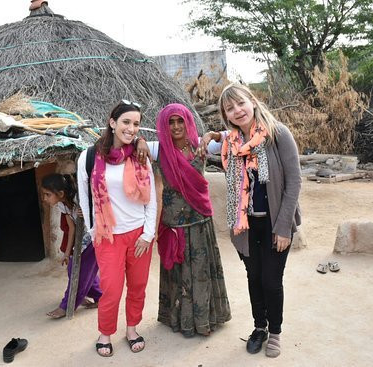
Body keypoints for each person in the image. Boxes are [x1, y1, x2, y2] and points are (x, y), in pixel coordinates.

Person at [199, 83, 301, 358]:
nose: (237, 110)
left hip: (274, 222)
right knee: (253, 278)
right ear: (226, 115)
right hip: (244, 224)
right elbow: (210, 144)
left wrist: (283, 228)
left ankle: (275, 332)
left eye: (240, 103)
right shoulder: (231, 143)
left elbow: (294, 182)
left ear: (253, 102)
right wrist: (214, 134)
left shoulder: (278, 134)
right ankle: (260, 327)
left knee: (271, 280)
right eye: (230, 108)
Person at [136, 103, 231, 337]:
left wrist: (212, 134)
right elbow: (125, 141)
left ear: (188, 121)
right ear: (164, 126)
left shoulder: (201, 144)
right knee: (178, 276)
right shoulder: (158, 149)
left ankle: (205, 320)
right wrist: (139, 140)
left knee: (201, 273)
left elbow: (235, 136)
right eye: (171, 122)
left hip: (200, 223)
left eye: (180, 121)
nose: (176, 126)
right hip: (174, 226)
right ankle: (180, 320)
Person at [77, 100, 157, 357]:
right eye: (126, 122)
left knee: (137, 286)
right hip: (107, 235)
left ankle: (132, 329)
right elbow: (84, 196)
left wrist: (148, 233)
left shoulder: (140, 155)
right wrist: (93, 230)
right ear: (112, 123)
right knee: (111, 289)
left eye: (136, 124)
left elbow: (152, 198)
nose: (131, 129)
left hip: (139, 235)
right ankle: (105, 333)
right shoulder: (89, 156)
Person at [41, 173, 102, 319]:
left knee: (80, 273)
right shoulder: (63, 205)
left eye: (47, 194)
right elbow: (72, 229)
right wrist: (67, 253)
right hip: (82, 241)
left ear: (60, 193)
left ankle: (67, 305)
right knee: (74, 269)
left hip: (94, 239)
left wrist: (87, 212)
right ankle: (100, 296)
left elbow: (100, 212)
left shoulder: (80, 199)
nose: (45, 198)